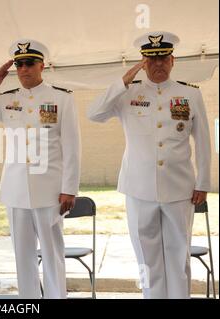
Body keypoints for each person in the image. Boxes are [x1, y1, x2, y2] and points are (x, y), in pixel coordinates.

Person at [87, 31, 211, 298]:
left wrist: (203, 183)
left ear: (172, 60)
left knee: (179, 257)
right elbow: (94, 114)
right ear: (143, 61)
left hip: (179, 189)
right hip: (138, 189)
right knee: (146, 258)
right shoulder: (126, 93)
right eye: (151, 58)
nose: (158, 64)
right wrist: (123, 81)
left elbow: (202, 142)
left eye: (163, 58)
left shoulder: (190, 94)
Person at [0, 39, 81, 298]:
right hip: (16, 190)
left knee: (52, 255)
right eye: (19, 65)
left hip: (50, 191)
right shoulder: (7, 100)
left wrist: (69, 189)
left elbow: (72, 147)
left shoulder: (61, 98)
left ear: (42, 65)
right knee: (23, 256)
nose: (24, 69)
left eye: (29, 63)